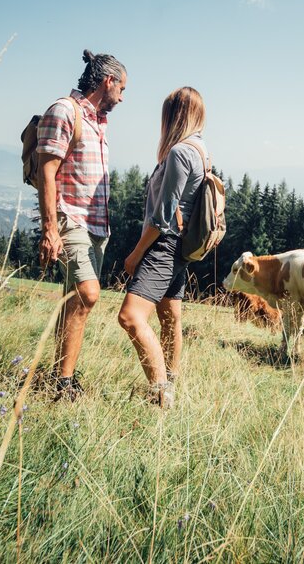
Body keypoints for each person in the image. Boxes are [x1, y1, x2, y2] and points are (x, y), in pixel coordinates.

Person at [36, 50, 126, 402]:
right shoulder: (63, 111)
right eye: (122, 88)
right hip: (69, 218)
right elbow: (47, 171)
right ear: (108, 81)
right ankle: (64, 382)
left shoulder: (98, 122)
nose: (122, 97)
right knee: (88, 294)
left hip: (96, 227)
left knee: (75, 299)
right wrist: (50, 229)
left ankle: (62, 376)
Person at [117, 87, 209, 408]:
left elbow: (163, 214)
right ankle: (171, 382)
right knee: (170, 316)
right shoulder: (201, 151)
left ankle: (161, 394)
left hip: (163, 246)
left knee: (130, 317)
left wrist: (136, 253)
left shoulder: (180, 153)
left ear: (173, 116)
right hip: (181, 248)